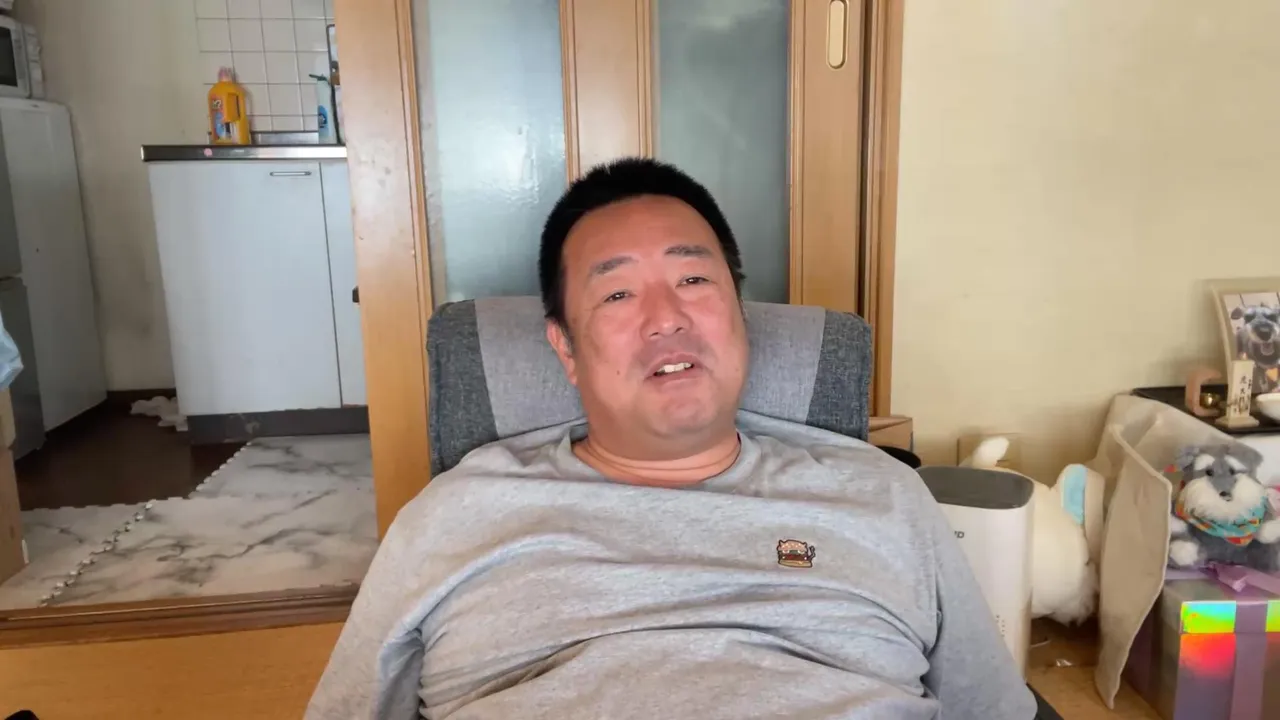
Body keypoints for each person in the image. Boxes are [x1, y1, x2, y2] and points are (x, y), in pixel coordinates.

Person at [306, 158, 1036, 719]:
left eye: (692, 279)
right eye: (618, 292)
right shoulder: (453, 514)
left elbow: (993, 710)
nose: (667, 318)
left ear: (740, 312)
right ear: (564, 347)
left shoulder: (886, 496)